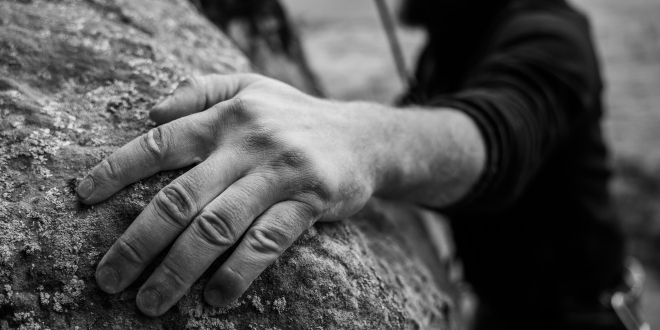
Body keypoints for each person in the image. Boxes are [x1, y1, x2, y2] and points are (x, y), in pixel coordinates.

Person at [76, 0, 640, 328]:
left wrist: (360, 140)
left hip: (581, 317)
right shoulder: (452, 37)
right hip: (495, 307)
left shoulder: (554, 34)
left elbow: (500, 136)